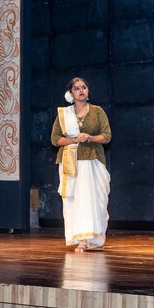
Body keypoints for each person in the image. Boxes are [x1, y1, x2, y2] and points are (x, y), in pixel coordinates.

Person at [51, 77, 112, 252]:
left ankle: (95, 239)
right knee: (75, 201)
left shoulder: (97, 111)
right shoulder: (64, 114)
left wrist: (90, 138)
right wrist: (74, 140)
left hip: (92, 161)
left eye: (84, 87)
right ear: (71, 93)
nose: (81, 91)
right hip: (70, 162)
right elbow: (55, 139)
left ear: (88, 90)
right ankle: (81, 241)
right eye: (76, 88)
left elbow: (107, 136)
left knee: (93, 201)